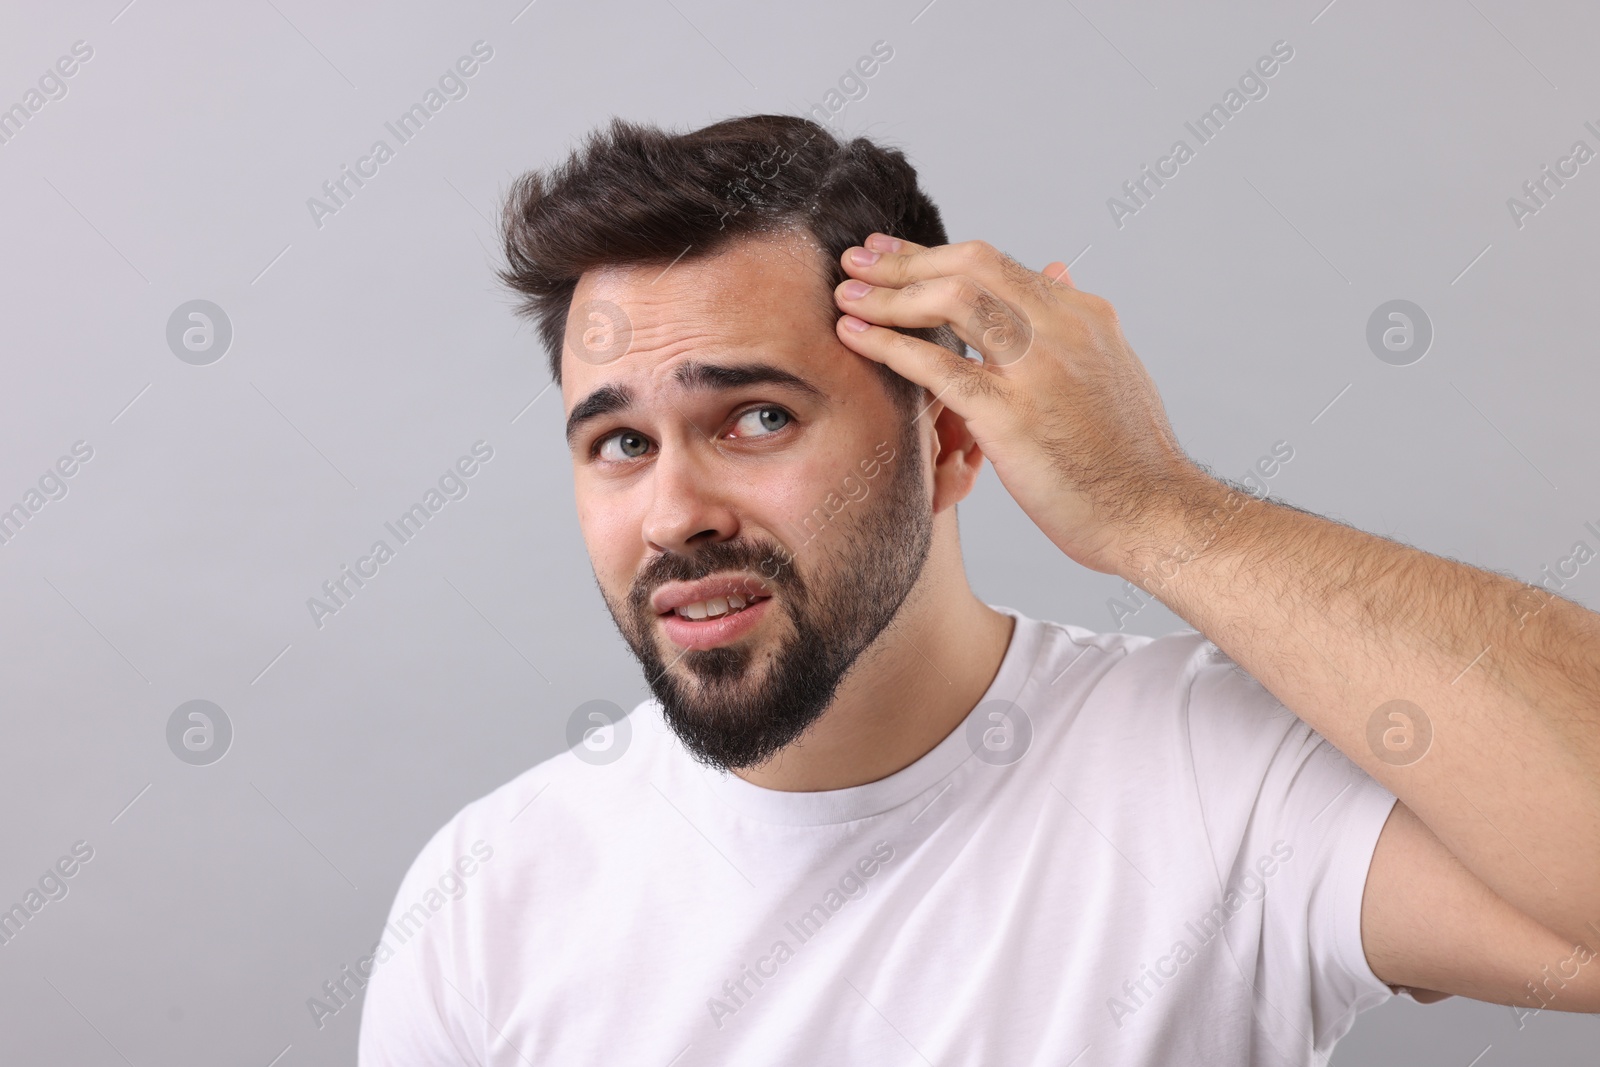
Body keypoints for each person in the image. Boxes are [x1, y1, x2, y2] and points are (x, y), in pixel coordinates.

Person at [356, 114, 1600, 1065]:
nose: (675, 512)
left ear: (950, 440)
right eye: (619, 442)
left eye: (755, 416)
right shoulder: (486, 899)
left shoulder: (1221, 775)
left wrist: (1158, 508)